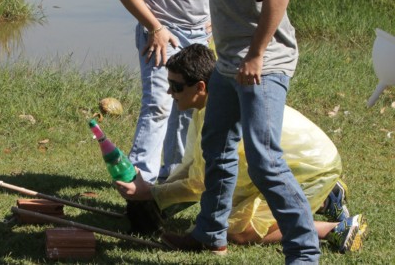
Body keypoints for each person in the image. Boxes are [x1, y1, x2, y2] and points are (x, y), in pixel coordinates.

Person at [161, 0, 320, 263]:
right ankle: (210, 233)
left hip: (261, 68)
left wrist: (256, 55)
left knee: (264, 160)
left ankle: (303, 253)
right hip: (231, 66)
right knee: (216, 145)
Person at [115, 45, 367, 254]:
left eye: (177, 87)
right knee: (231, 204)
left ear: (200, 87)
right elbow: (195, 166)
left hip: (313, 166)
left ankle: (335, 228)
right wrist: (154, 194)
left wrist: (153, 193)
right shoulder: (206, 107)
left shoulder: (214, 112)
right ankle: (324, 198)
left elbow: (203, 184)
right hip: (302, 158)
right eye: (169, 84)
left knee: (239, 232)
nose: (170, 92)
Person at [112, 0, 216, 185]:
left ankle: (172, 178)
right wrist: (154, 27)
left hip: (200, 32)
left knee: (187, 106)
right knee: (159, 104)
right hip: (161, 30)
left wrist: (214, 18)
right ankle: (139, 180)